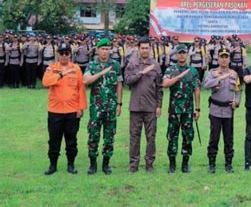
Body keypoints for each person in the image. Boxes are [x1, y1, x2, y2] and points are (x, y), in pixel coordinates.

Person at [42, 43, 87, 175]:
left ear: (70, 54)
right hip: (55, 111)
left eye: (67, 53)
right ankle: (53, 165)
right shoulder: (52, 68)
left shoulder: (76, 69)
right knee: (54, 140)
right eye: (61, 53)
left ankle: (71, 164)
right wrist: (61, 75)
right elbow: (45, 82)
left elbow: (81, 89)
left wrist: (81, 108)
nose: (64, 55)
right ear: (57, 54)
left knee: (71, 140)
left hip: (72, 111)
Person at [84, 38, 124, 175]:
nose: (105, 52)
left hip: (111, 107)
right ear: (97, 50)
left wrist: (119, 103)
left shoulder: (116, 65)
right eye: (102, 49)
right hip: (96, 107)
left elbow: (119, 84)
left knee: (109, 135)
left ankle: (106, 164)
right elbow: (86, 81)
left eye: (107, 49)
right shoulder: (91, 65)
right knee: (93, 135)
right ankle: (92, 164)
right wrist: (100, 73)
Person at [124, 37, 163, 173]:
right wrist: (141, 73)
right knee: (134, 137)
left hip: (151, 107)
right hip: (135, 107)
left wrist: (159, 106)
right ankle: (133, 165)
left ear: (150, 49)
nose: (145, 50)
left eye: (147, 48)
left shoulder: (156, 65)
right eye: (142, 48)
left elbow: (160, 87)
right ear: (138, 49)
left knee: (151, 137)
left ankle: (149, 164)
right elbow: (127, 81)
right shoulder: (132, 64)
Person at [162, 44, 201, 173]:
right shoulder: (170, 70)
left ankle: (185, 164)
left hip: (188, 111)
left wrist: (198, 109)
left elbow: (196, 90)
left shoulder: (193, 71)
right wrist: (178, 77)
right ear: (176, 55)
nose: (182, 55)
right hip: (174, 110)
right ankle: (172, 164)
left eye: (184, 53)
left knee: (188, 136)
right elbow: (165, 84)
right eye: (180, 53)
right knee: (172, 136)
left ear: (187, 54)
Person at [204, 47, 241, 173]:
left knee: (228, 138)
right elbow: (206, 85)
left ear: (229, 59)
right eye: (222, 57)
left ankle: (228, 163)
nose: (224, 59)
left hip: (228, 111)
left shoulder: (234, 74)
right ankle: (212, 164)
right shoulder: (212, 72)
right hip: (215, 110)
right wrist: (219, 78)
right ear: (218, 58)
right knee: (214, 138)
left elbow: (238, 90)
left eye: (226, 57)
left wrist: (237, 102)